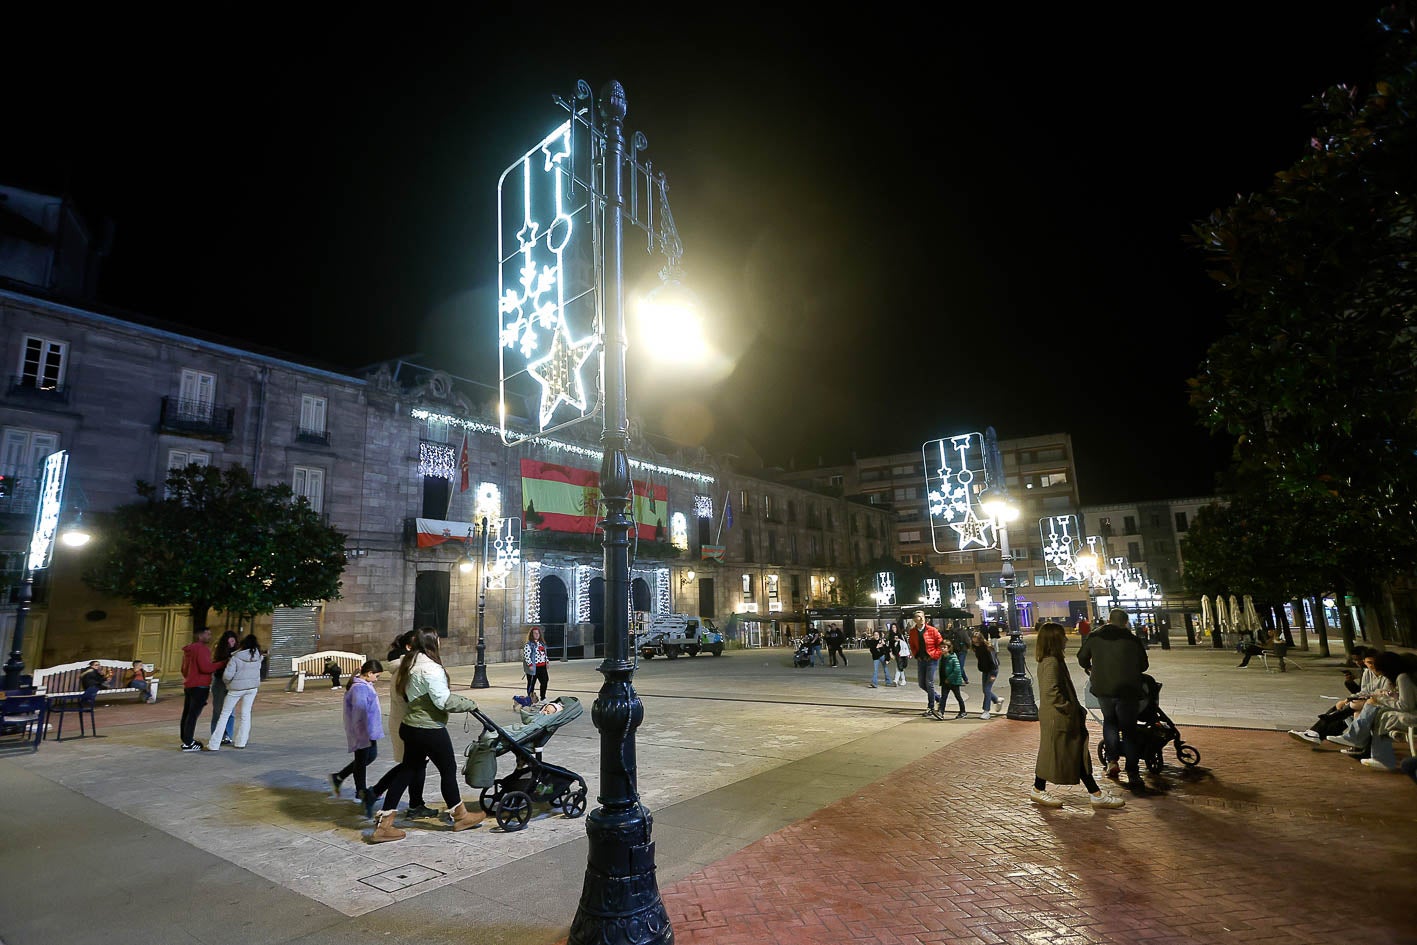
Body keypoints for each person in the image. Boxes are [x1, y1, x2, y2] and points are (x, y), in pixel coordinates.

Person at [369, 629, 487, 843]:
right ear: (432, 643)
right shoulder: (431, 668)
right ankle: (460, 816)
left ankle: (384, 824)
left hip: (410, 726)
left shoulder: (409, 664)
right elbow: (443, 701)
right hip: (428, 728)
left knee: (407, 771)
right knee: (448, 769)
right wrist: (469, 703)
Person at [1030, 621, 1126, 809]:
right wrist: (1069, 708)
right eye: (1062, 636)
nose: (1066, 639)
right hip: (1058, 717)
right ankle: (1094, 794)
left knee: (1063, 753)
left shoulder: (1051, 660)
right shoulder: (1051, 662)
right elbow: (1052, 692)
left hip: (1057, 716)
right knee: (1072, 753)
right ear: (1054, 639)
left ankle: (1039, 788)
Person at [1077, 608, 1149, 792]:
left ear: (1108, 620)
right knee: (1129, 730)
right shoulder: (1132, 639)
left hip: (1103, 688)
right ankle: (1133, 772)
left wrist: (1092, 668)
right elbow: (1143, 665)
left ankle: (1112, 761)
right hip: (1128, 690)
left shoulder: (1094, 636)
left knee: (1109, 721)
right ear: (1125, 622)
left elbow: (1082, 657)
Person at [364, 630, 433, 820]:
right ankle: (382, 797)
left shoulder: (405, 666)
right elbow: (411, 697)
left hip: (406, 721)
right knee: (412, 765)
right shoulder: (407, 668)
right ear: (410, 648)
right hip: (410, 723)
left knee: (415, 764)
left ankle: (414, 803)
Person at [1290, 647, 1379, 744]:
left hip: (1375, 703)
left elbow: (1376, 693)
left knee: (1345, 710)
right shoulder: (1366, 672)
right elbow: (1363, 691)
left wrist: (1350, 699)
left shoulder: (1378, 674)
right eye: (1367, 662)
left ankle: (1317, 733)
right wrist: (1349, 686)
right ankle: (1317, 733)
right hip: (1364, 701)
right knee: (1343, 708)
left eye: (1359, 660)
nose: (1358, 663)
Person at [332, 660, 385, 802]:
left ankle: (339, 777)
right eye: (377, 676)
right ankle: (360, 791)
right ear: (369, 673)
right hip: (363, 731)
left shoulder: (365, 685)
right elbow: (359, 711)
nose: (377, 679)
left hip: (369, 729)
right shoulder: (359, 688)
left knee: (369, 757)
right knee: (361, 761)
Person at [206, 634, 264, 751]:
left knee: (225, 714)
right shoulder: (258, 656)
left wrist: (228, 683)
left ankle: (214, 744)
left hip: (236, 689)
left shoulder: (236, 657)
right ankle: (241, 742)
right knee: (246, 714)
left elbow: (227, 675)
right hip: (252, 688)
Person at [179, 628, 225, 752]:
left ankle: (186, 739)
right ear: (200, 635)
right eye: (208, 633)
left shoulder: (189, 649)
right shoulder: (202, 649)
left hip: (190, 685)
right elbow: (206, 668)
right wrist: (222, 663)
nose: (210, 636)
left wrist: (190, 677)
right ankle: (189, 742)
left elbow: (183, 669)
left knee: (187, 713)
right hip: (200, 686)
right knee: (193, 714)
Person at [909, 611, 945, 719]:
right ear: (915, 619)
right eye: (918, 617)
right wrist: (916, 655)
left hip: (931, 659)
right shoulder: (913, 632)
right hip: (921, 660)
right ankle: (938, 698)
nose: (921, 619)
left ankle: (931, 707)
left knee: (929, 683)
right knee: (921, 683)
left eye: (922, 617)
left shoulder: (932, 630)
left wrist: (935, 654)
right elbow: (912, 644)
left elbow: (941, 644)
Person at [209, 630, 239, 746]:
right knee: (218, 710)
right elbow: (213, 665)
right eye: (229, 641)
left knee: (230, 711)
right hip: (220, 682)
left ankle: (228, 735)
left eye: (233, 640)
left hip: (232, 683)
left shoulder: (238, 653)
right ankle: (216, 735)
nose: (231, 643)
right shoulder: (219, 651)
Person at [971, 629, 1003, 719]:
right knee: (985, 690)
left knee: (987, 689)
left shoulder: (987, 647)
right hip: (985, 670)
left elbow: (994, 661)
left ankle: (986, 711)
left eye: (976, 640)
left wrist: (993, 673)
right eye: (973, 640)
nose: (974, 642)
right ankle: (997, 700)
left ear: (980, 639)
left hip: (992, 670)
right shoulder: (976, 648)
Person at [940, 640, 968, 719]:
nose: (942, 649)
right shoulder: (943, 658)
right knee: (943, 697)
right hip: (945, 682)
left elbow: (957, 670)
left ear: (949, 648)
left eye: (944, 647)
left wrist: (949, 678)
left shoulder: (953, 658)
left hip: (954, 682)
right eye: (941, 647)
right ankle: (940, 712)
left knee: (958, 696)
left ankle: (963, 711)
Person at [523, 626, 549, 702]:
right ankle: (530, 699)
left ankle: (543, 697)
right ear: (532, 634)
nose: (537, 635)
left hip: (542, 666)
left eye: (538, 633)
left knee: (545, 681)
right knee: (531, 684)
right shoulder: (529, 645)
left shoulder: (542, 644)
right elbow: (526, 656)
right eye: (535, 633)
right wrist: (530, 665)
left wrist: (547, 661)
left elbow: (544, 654)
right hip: (534, 668)